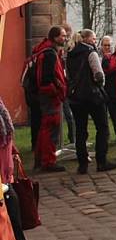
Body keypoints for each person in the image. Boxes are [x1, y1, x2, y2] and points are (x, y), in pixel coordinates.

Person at [66, 29, 116, 174]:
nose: (95, 41)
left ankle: (82, 163)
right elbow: (98, 73)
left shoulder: (70, 53)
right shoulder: (91, 53)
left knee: (80, 130)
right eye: (94, 39)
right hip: (93, 96)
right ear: (87, 39)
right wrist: (100, 85)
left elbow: (68, 74)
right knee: (102, 127)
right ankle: (102, 161)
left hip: (76, 97)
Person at [0, 98, 41, 240]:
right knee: (8, 218)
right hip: (2, 176)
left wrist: (14, 150)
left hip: (5, 170)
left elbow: (6, 130)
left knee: (13, 214)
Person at [29, 26, 67, 172]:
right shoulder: (50, 53)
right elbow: (48, 78)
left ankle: (40, 160)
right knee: (50, 129)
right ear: (55, 37)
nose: (65, 38)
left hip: (44, 95)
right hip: (50, 96)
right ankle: (48, 161)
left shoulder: (43, 50)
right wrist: (57, 91)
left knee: (44, 129)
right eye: (63, 36)